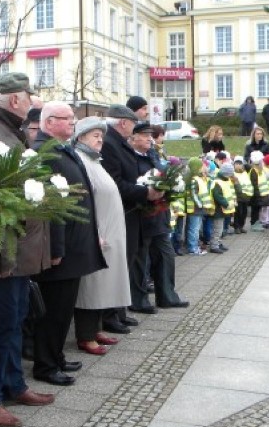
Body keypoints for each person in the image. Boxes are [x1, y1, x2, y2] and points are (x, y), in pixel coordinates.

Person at [0, 72, 54, 427]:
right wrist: (4, 255)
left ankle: (13, 385)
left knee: (14, 321)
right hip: (4, 253)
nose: (33, 102)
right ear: (16, 100)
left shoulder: (8, 130)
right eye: (29, 96)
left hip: (18, 251)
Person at [31, 102, 106, 385]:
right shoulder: (44, 151)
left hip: (73, 245)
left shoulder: (60, 147)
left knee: (63, 310)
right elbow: (50, 206)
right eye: (68, 119)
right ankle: (46, 365)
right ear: (50, 122)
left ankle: (57, 357)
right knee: (54, 311)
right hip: (60, 249)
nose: (73, 123)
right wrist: (56, 248)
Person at [72, 118, 132, 345]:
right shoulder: (81, 160)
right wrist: (94, 232)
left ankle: (95, 329)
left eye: (101, 135)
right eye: (94, 135)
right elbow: (86, 201)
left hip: (110, 232)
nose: (100, 139)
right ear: (80, 137)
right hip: (99, 234)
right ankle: (85, 335)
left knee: (104, 285)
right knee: (93, 286)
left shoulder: (94, 160)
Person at [101, 105, 157, 323]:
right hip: (121, 212)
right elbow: (115, 183)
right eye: (133, 124)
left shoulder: (118, 143)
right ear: (123, 122)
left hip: (130, 212)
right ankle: (111, 315)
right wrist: (145, 192)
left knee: (126, 263)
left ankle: (119, 311)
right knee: (118, 265)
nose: (134, 129)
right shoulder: (110, 144)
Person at [131, 123, 189, 308]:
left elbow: (164, 174)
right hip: (141, 215)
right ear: (132, 138)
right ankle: (138, 300)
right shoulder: (130, 157)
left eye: (150, 135)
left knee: (165, 255)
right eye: (144, 135)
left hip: (160, 215)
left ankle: (167, 296)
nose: (150, 138)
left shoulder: (153, 155)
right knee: (140, 260)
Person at [209, 163, 236, 253]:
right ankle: (214, 245)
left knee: (219, 228)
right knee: (217, 228)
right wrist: (227, 204)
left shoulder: (224, 180)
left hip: (222, 209)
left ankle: (218, 243)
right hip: (218, 209)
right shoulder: (218, 182)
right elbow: (218, 196)